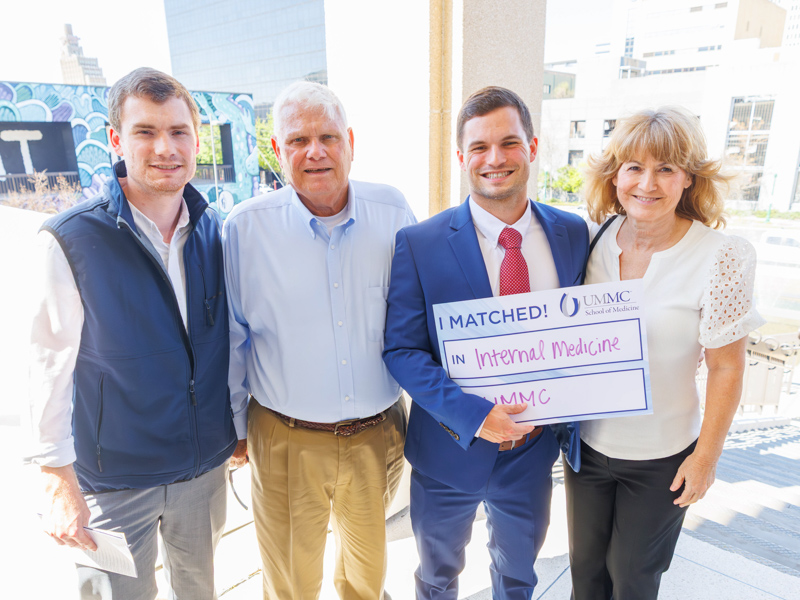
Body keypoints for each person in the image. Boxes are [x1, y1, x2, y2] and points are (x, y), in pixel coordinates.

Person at [24, 67, 246, 599]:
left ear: (196, 139)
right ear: (116, 140)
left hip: (202, 471)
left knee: (199, 592)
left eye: (178, 132)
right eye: (146, 132)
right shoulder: (71, 239)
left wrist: (235, 426)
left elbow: (230, 342)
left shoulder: (219, 231)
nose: (165, 147)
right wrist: (57, 476)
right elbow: (46, 366)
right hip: (113, 481)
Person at [382, 86, 589, 600]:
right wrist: (476, 415)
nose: (494, 159)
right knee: (435, 578)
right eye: (478, 147)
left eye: (508, 143)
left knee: (518, 578)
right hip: (449, 451)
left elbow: (586, 336)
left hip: (533, 453)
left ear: (533, 147)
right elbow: (401, 350)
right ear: (461, 158)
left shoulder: (573, 234)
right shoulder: (420, 243)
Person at [223, 81, 415, 600]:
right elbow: (234, 339)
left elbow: (421, 315)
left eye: (328, 135)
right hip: (285, 439)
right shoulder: (244, 230)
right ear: (277, 151)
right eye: (298, 140)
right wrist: (236, 428)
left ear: (350, 141)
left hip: (378, 435)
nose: (315, 151)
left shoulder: (394, 211)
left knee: (366, 581)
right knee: (289, 583)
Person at [565, 106, 765, 600]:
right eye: (634, 167)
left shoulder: (720, 256)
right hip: (587, 449)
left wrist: (706, 458)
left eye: (666, 169)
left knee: (633, 579)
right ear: (615, 178)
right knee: (586, 576)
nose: (647, 183)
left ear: (688, 179)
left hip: (662, 458)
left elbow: (726, 366)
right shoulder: (593, 240)